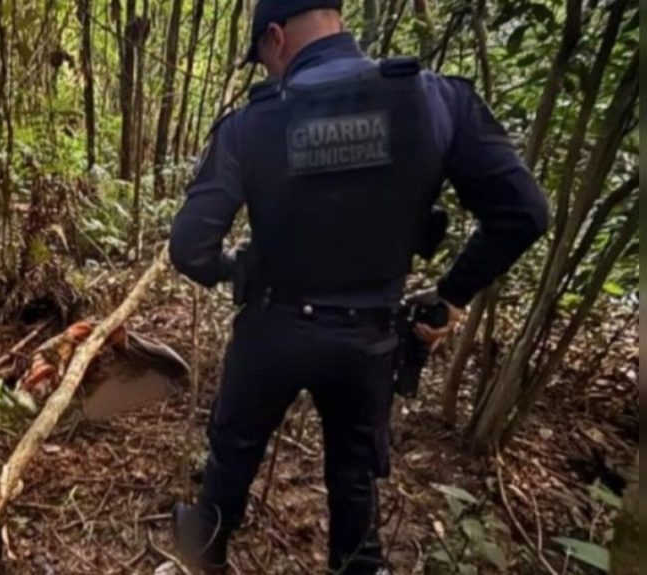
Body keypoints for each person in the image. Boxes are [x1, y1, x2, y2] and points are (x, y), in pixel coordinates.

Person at [168, 0, 549, 573]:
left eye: (264, 60)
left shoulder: (254, 122)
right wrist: (450, 295)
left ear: (275, 37)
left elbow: (189, 247)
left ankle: (207, 543)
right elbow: (524, 212)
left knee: (233, 449)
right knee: (354, 480)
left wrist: (232, 268)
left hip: (271, 330)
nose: (268, 73)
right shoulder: (435, 100)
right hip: (368, 339)